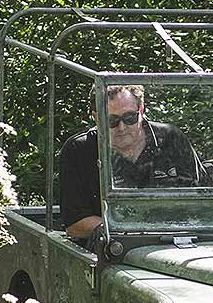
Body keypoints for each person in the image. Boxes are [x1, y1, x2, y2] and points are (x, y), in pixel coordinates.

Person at [58, 84, 200, 240]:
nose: (122, 128)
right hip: (113, 251)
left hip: (178, 241)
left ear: (142, 109)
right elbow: (75, 224)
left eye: (130, 118)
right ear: (96, 117)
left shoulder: (170, 138)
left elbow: (200, 199)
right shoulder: (79, 150)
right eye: (112, 120)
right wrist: (136, 232)